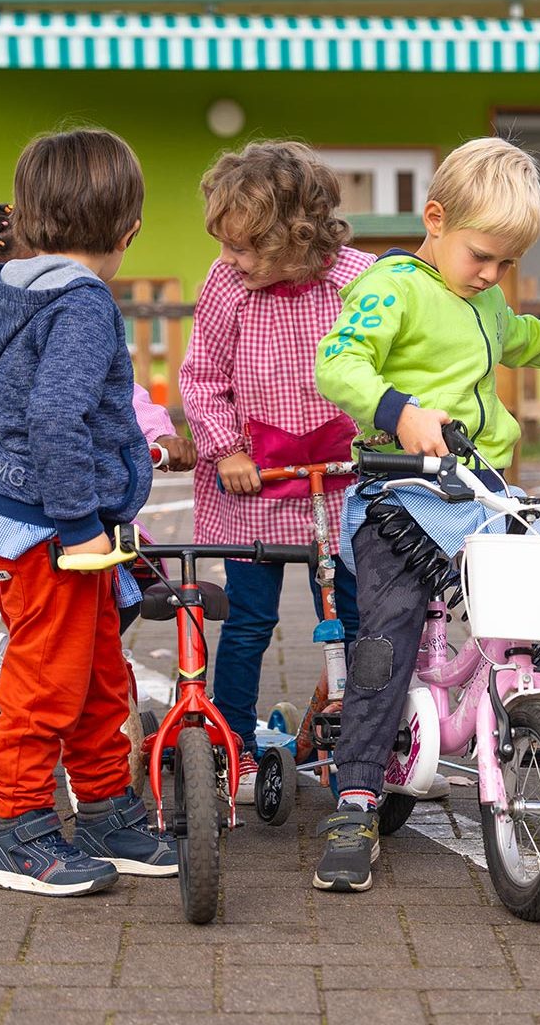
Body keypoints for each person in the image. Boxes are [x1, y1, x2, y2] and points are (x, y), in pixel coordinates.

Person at [310, 137, 540, 894]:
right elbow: (338, 361)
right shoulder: (392, 286)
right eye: (483, 257)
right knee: (387, 639)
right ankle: (358, 795)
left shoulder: (486, 300)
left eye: (506, 264)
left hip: (481, 491)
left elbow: (530, 340)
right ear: (436, 219)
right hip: (402, 491)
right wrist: (398, 412)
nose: (493, 276)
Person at [0, 130, 178, 897]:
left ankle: (107, 810)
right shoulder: (83, 303)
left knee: (96, 676)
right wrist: (82, 519)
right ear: (130, 230)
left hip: (22, 518)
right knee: (47, 682)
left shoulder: (15, 285)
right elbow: (56, 416)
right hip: (57, 529)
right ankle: (17, 831)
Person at [0, 203, 191, 718]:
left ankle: (105, 635)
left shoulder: (65, 318)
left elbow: (120, 394)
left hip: (63, 473)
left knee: (123, 544)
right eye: (2, 275)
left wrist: (160, 432)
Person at [179, 141, 371, 804]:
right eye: (226, 247)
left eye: (245, 248)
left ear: (297, 235)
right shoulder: (226, 284)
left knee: (355, 616)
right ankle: (229, 739)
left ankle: (363, 749)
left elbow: (393, 368)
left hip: (341, 480)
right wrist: (224, 448)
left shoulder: (358, 281)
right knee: (250, 620)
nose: (230, 260)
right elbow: (202, 376)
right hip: (253, 480)